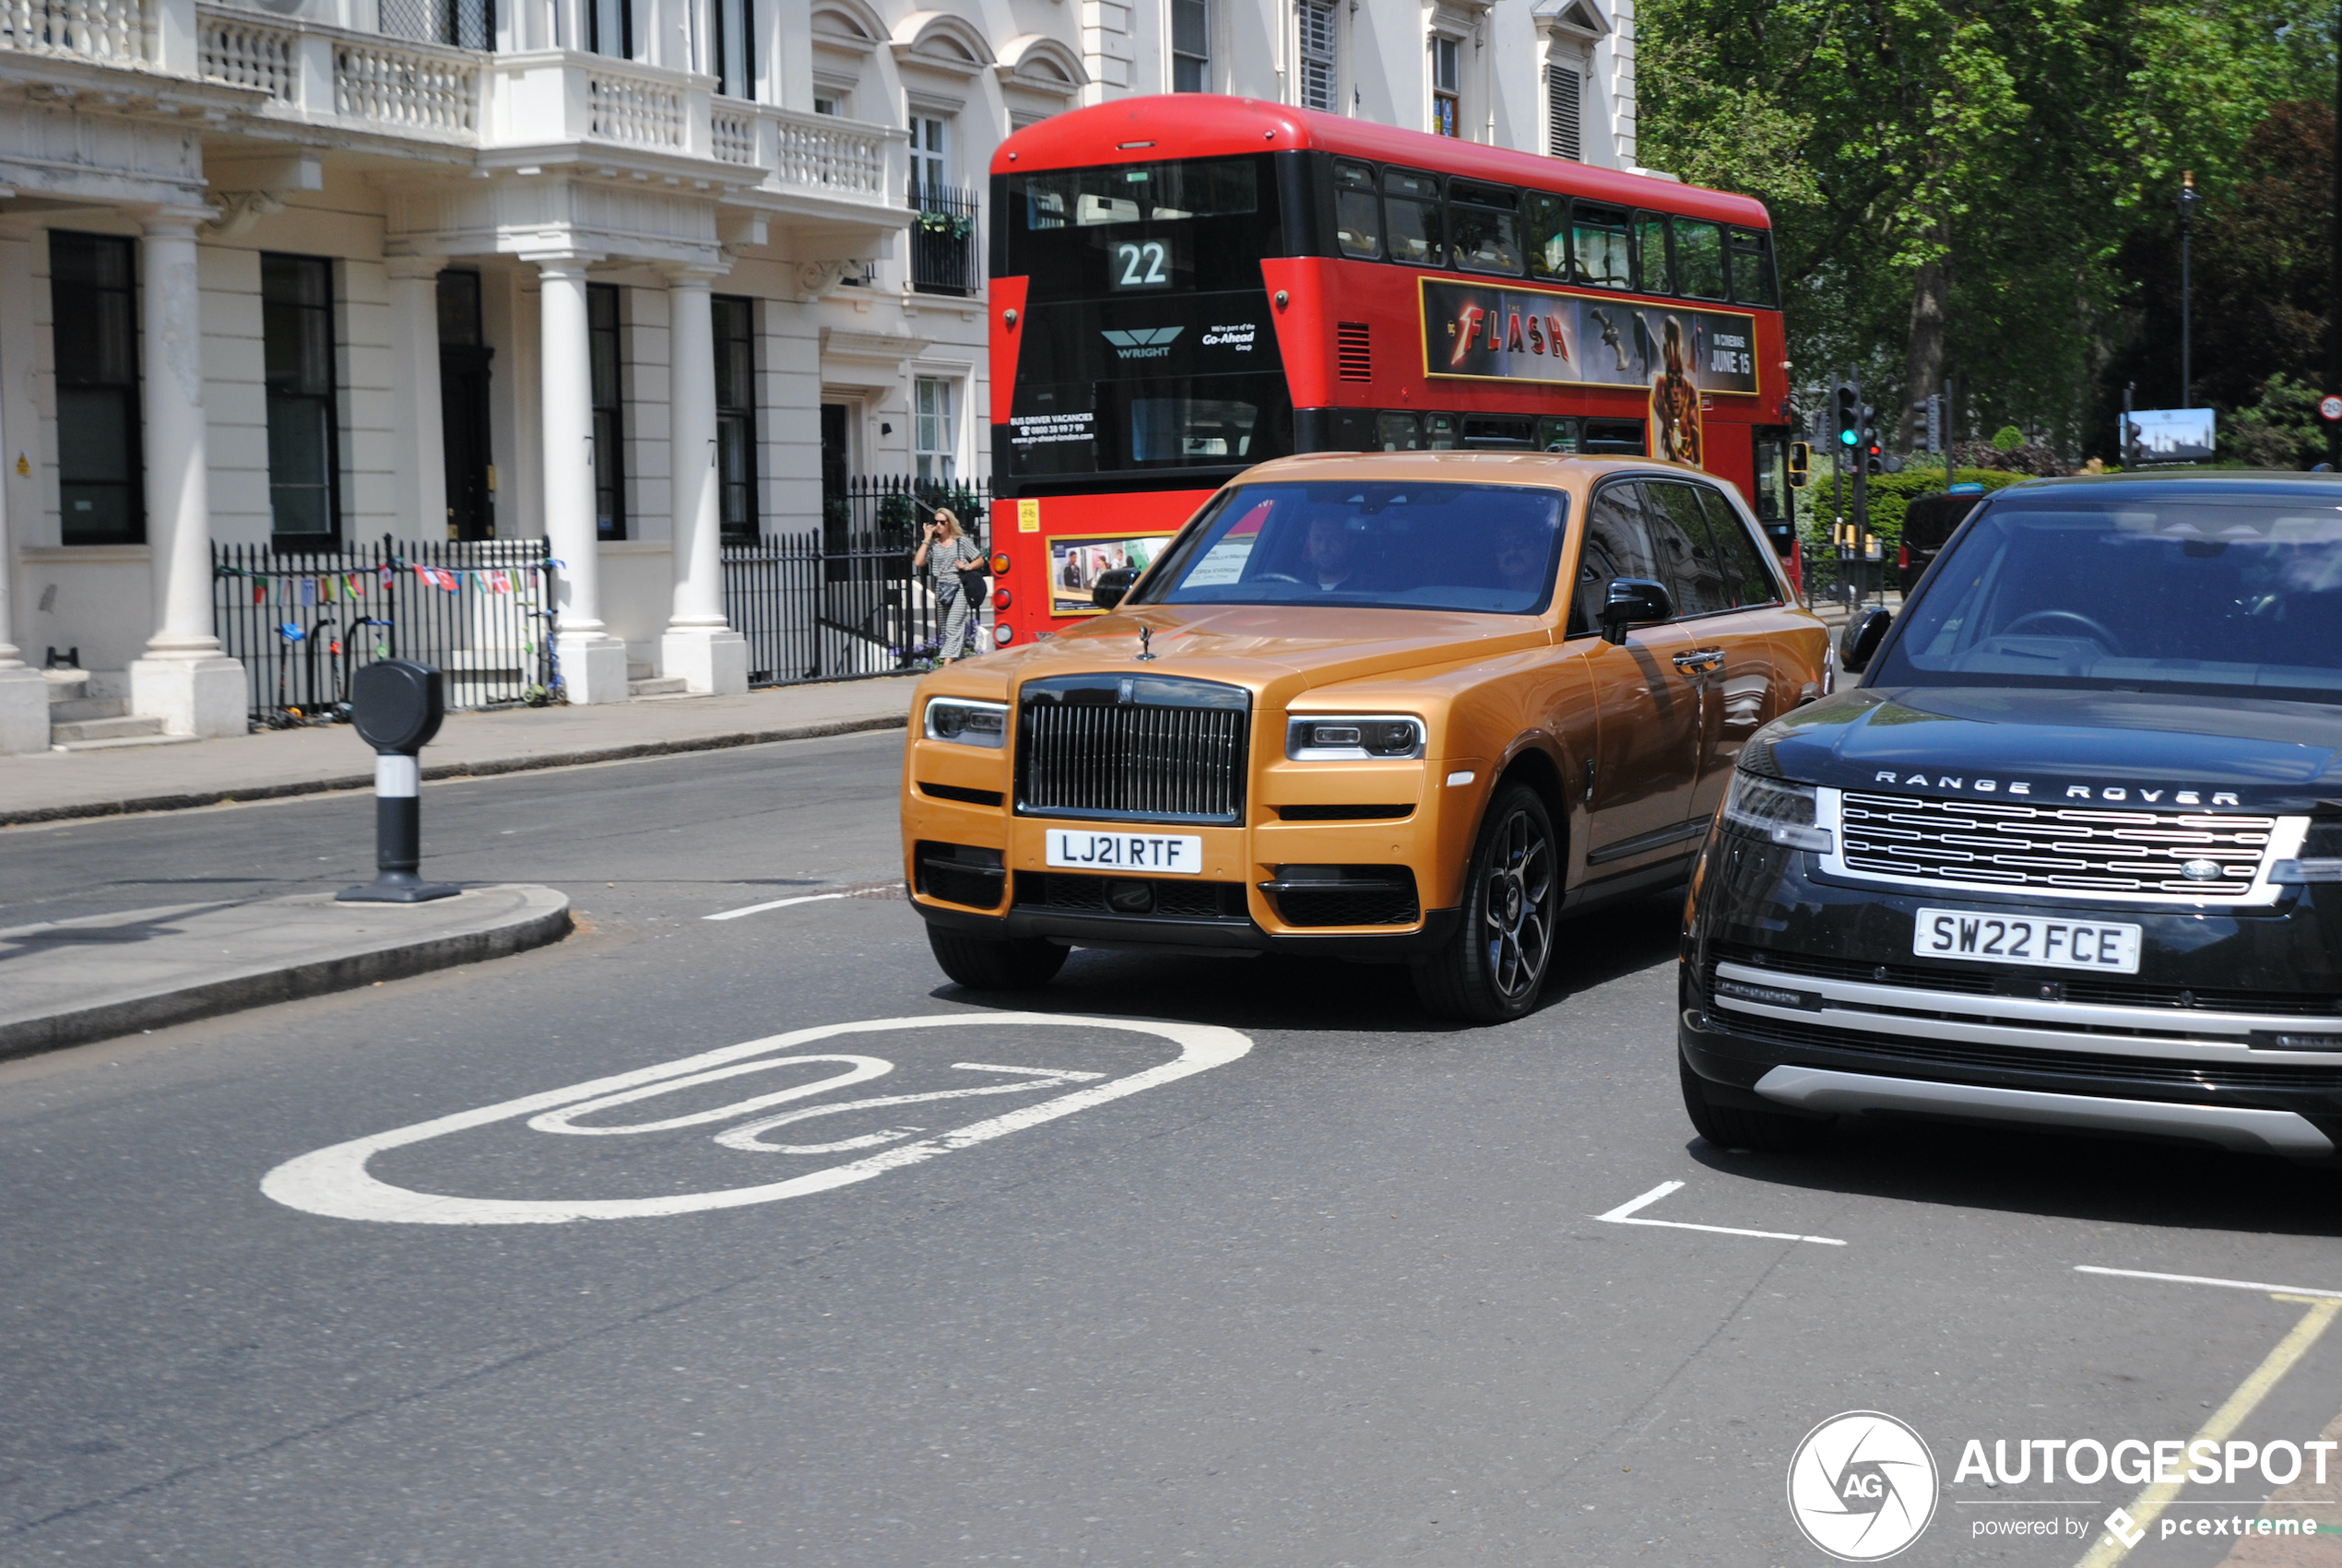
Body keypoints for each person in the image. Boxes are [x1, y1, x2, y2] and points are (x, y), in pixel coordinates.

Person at [912, 507, 983, 662]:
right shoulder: (934, 545)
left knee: (953, 625)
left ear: (949, 523)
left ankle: (946, 665)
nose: (938, 525)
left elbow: (979, 559)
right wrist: (926, 538)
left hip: (959, 587)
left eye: (942, 522)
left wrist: (967, 566)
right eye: (936, 522)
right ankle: (961, 664)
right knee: (946, 629)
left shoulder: (961, 542)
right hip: (942, 588)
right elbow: (918, 561)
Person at [1302, 515, 1361, 591]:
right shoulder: (1295, 585)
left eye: (1333, 539)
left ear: (1349, 543)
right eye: (1318, 539)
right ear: (1309, 541)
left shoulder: (1371, 590)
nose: (1324, 547)